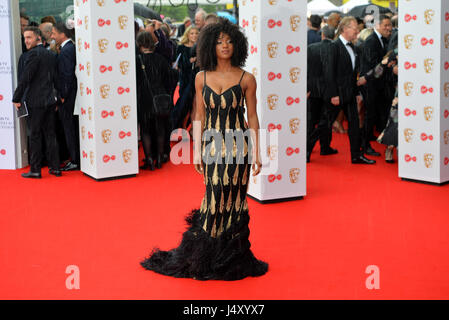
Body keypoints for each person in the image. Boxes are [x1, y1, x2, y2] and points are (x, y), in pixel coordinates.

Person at [141, 18, 268, 280]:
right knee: (214, 197)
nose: (225, 45)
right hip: (212, 144)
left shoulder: (247, 78)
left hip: (238, 145)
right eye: (219, 41)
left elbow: (253, 117)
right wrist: (197, 150)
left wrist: (257, 151)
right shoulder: (201, 77)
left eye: (230, 41)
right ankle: (205, 255)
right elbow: (197, 115)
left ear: (238, 45)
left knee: (234, 199)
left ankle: (232, 255)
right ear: (210, 45)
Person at [324, 17, 375, 165]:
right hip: (337, 94)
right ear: (344, 29)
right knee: (324, 122)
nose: (357, 31)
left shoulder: (354, 47)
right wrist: (333, 94)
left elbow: (353, 73)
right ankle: (306, 150)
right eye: (354, 28)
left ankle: (356, 155)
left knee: (354, 124)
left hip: (351, 92)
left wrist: (357, 91)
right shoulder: (334, 46)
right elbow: (329, 72)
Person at [12, 27, 61, 178]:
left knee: (35, 135)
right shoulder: (51, 54)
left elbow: (25, 78)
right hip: (49, 101)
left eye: (29, 38)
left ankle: (35, 170)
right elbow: (55, 78)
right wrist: (58, 97)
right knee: (50, 135)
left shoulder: (32, 55)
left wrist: (16, 98)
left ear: (38, 38)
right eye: (25, 37)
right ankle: (55, 168)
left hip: (35, 101)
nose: (26, 41)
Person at [135, 31, 172, 170]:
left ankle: (149, 158)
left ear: (139, 44)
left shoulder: (137, 60)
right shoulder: (160, 59)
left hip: (144, 98)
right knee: (160, 128)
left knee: (145, 130)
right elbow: (169, 78)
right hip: (160, 97)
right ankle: (160, 158)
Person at [360, 14, 393, 157]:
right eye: (386, 25)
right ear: (377, 26)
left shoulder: (383, 40)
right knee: (370, 116)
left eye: (390, 25)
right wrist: (386, 62)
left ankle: (369, 138)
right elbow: (373, 66)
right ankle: (365, 145)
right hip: (370, 85)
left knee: (376, 115)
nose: (389, 28)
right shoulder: (371, 41)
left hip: (379, 85)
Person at [307, 26, 338, 162]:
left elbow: (306, 69)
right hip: (329, 90)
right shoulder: (336, 49)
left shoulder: (311, 48)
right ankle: (324, 147)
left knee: (312, 120)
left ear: (322, 35)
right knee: (326, 121)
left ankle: (308, 149)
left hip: (313, 90)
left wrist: (307, 88)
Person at [51, 22, 79, 171]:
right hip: (70, 96)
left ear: (62, 34)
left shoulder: (67, 50)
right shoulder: (69, 48)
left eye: (54, 33)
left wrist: (62, 96)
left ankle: (75, 160)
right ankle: (74, 158)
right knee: (70, 128)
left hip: (68, 98)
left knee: (70, 129)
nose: (52, 36)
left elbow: (67, 75)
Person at [172, 26, 199, 130]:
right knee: (184, 105)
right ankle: (181, 126)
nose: (194, 36)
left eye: (196, 33)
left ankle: (192, 129)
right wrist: (190, 61)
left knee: (195, 105)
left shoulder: (200, 48)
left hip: (197, 79)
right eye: (192, 33)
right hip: (185, 79)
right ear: (187, 35)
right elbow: (179, 65)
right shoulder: (181, 47)